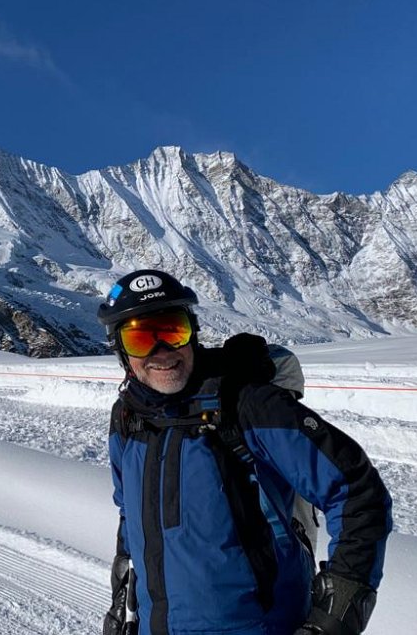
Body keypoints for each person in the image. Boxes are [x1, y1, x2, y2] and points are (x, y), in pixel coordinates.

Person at [99, 269, 392, 635]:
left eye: (173, 330)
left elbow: (356, 490)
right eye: (141, 338)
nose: (161, 351)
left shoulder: (247, 406)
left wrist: (338, 612)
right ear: (121, 351)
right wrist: (124, 594)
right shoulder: (128, 420)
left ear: (193, 331)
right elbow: (131, 514)